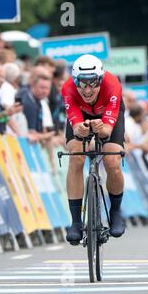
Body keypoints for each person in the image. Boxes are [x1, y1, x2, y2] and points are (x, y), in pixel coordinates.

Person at [62, 54, 126, 244]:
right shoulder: (67, 88)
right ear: (75, 81)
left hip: (108, 113)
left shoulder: (113, 84)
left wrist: (102, 128)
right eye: (83, 84)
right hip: (80, 114)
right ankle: (75, 222)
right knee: (76, 158)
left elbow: (106, 130)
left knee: (112, 160)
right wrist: (79, 129)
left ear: (100, 79)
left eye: (94, 83)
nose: (88, 90)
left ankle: (115, 211)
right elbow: (75, 126)